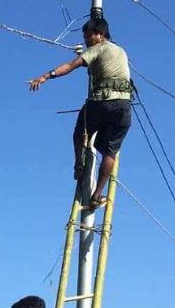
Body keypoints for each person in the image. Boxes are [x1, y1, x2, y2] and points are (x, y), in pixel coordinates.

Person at [28, 16, 132, 209]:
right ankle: (97, 195)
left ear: (100, 35)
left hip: (101, 101)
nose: (86, 41)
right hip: (123, 105)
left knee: (80, 132)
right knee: (110, 151)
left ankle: (79, 164)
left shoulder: (98, 48)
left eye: (88, 36)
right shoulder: (121, 51)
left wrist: (46, 76)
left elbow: (72, 65)